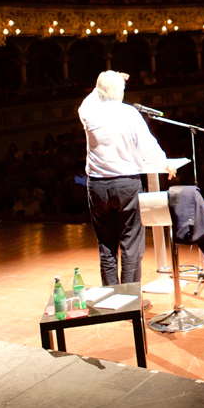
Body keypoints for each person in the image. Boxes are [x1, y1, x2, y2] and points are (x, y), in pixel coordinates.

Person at [79, 70, 174, 286]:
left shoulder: (88, 112)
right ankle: (129, 299)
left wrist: (104, 80)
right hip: (126, 186)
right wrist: (164, 163)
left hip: (97, 187)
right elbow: (147, 144)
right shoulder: (129, 113)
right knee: (131, 245)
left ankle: (113, 299)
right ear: (119, 90)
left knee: (106, 245)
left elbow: (91, 97)